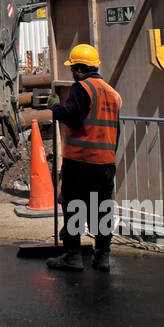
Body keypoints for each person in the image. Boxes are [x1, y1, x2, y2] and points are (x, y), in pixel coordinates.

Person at [46, 44, 123, 272]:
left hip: (80, 162)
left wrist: (56, 108)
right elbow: (115, 132)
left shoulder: (83, 88)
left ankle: (72, 256)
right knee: (101, 210)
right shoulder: (112, 93)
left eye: (73, 69)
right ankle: (102, 256)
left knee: (74, 208)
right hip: (105, 163)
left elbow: (73, 116)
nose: (73, 73)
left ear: (79, 69)